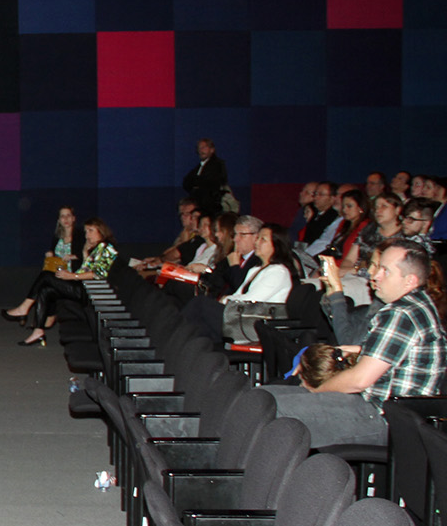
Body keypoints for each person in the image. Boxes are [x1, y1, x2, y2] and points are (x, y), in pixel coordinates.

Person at [264, 240, 447, 447]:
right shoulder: (418, 305)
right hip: (385, 412)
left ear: (409, 281)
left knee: (268, 408)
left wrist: (317, 389)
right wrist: (360, 350)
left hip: (383, 418)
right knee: (263, 398)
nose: (375, 276)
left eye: (385, 271)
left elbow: (359, 380)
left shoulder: (402, 313)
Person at [2, 218, 117, 347]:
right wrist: (85, 253)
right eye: (86, 231)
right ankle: (38, 331)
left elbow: (99, 274)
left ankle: (24, 308)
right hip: (84, 286)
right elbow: (87, 269)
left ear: (101, 231)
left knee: (46, 276)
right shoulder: (96, 248)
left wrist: (72, 276)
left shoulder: (107, 248)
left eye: (91, 231)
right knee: (46, 290)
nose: (87, 235)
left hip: (91, 291)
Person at [185, 224, 297, 342]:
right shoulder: (255, 269)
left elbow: (251, 301)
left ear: (277, 245)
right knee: (200, 326)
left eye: (263, 239)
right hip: (242, 318)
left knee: (200, 304)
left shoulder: (278, 272)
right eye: (257, 238)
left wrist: (225, 299)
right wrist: (226, 300)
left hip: (254, 325)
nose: (257, 242)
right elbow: (239, 294)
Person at [182, 137, 227, 219]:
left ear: (212, 150)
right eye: (199, 148)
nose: (201, 150)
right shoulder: (199, 167)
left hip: (211, 207)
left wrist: (197, 183)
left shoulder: (217, 164)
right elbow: (186, 182)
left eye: (204, 147)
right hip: (200, 205)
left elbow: (210, 182)